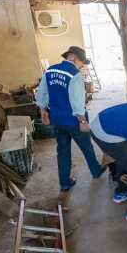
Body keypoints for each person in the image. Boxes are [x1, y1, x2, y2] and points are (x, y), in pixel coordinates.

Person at [36, 46, 105, 194]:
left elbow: (41, 93)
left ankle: (65, 182)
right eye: (81, 62)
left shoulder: (49, 70)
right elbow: (77, 102)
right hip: (74, 121)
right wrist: (83, 122)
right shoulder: (74, 74)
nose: (81, 66)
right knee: (87, 147)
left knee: (63, 151)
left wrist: (43, 112)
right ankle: (96, 171)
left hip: (57, 120)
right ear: (73, 57)